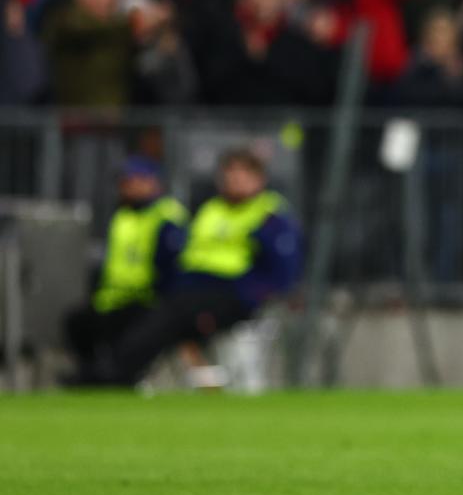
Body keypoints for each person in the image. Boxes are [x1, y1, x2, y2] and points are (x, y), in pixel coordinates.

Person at [81, 148, 303, 388]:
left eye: (242, 175)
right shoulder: (210, 210)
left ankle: (116, 376)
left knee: (168, 316)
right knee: (136, 315)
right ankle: (111, 373)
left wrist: (249, 297)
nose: (234, 181)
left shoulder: (269, 215)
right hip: (191, 291)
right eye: (230, 175)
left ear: (260, 179)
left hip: (232, 294)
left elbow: (281, 272)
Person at [63, 157, 186, 381]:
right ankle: (93, 374)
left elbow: (172, 266)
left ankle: (114, 378)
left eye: (136, 180)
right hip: (113, 298)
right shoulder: (121, 217)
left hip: (147, 298)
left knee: (134, 333)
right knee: (77, 322)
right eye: (126, 181)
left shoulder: (167, 216)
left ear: (154, 182)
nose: (129, 186)